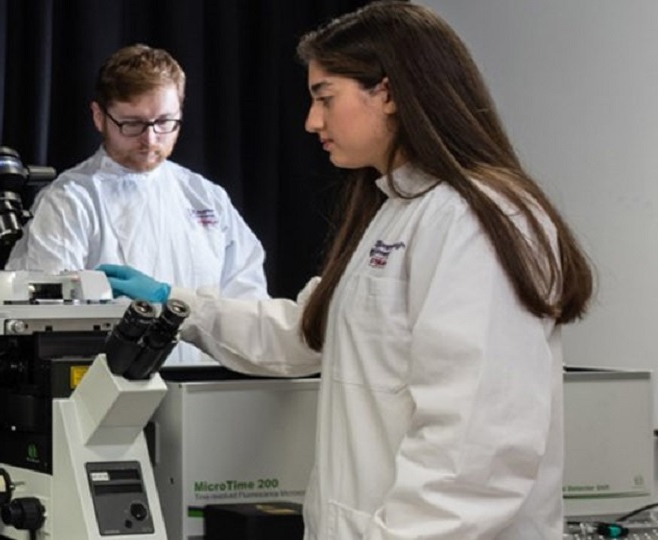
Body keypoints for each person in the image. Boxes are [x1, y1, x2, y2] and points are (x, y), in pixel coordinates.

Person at [100, 2, 594, 538]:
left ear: (388, 92)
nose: (313, 121)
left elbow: (476, 453)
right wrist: (181, 305)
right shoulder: (397, 211)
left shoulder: (476, 220)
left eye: (324, 97)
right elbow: (305, 333)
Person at [7, 44, 268, 365]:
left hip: (204, 394)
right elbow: (54, 321)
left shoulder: (206, 197)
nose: (150, 139)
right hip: (108, 397)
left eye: (165, 122)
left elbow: (248, 309)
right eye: (132, 124)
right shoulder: (71, 199)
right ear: (99, 116)